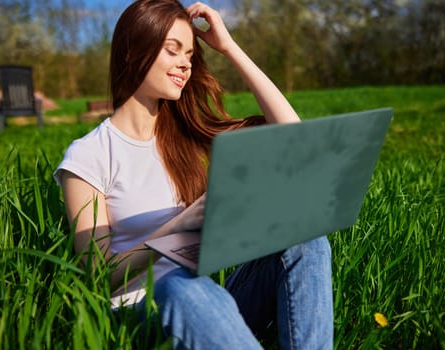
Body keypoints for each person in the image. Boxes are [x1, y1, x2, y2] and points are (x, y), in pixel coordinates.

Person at [54, 1, 333, 348]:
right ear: (131, 52)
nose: (185, 63)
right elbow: (96, 274)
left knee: (306, 240)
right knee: (177, 285)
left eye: (189, 53)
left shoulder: (187, 136)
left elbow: (295, 136)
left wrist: (229, 47)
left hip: (207, 305)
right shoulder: (89, 155)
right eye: (173, 51)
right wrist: (176, 227)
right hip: (138, 317)